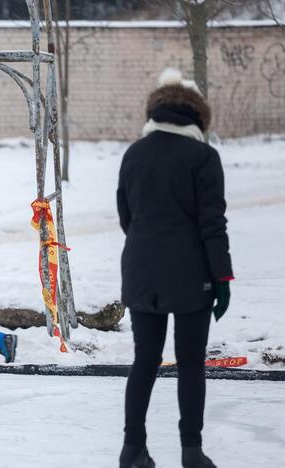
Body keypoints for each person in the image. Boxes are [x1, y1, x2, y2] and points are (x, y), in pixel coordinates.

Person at [116, 68, 232, 468]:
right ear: (198, 117)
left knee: (144, 360)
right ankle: (191, 452)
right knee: (191, 362)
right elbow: (212, 224)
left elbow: (125, 216)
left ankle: (132, 449)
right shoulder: (203, 157)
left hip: (140, 270)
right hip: (190, 275)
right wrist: (222, 278)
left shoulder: (134, 153)